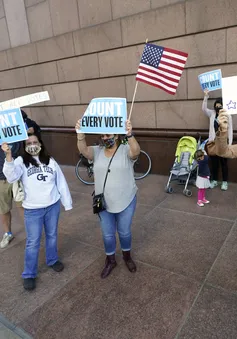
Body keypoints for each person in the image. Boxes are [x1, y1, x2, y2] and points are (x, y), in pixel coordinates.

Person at [1, 133, 72, 291]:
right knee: (33, 241)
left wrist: (67, 203)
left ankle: (52, 260)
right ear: (25, 147)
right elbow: (11, 177)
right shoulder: (20, 161)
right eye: (29, 143)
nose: (32, 145)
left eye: (35, 142)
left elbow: (60, 182)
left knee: (52, 235)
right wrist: (8, 155)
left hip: (52, 205)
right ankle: (29, 273)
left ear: (40, 143)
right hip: (33, 209)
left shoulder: (50, 161)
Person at [75, 119, 140, 279]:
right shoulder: (96, 151)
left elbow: (136, 152)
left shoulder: (126, 150)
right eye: (103, 135)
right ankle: (110, 260)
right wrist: (80, 136)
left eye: (108, 134)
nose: (105, 138)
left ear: (117, 135)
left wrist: (130, 135)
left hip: (126, 199)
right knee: (107, 234)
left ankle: (127, 257)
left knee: (124, 232)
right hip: (104, 202)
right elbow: (84, 151)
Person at [202, 89, 233, 190]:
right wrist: (206, 96)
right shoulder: (212, 114)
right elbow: (203, 109)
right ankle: (214, 180)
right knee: (214, 164)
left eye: (220, 105)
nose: (217, 107)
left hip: (223, 143)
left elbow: (230, 130)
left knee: (224, 163)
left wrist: (230, 144)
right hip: (213, 143)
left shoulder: (227, 115)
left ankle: (224, 182)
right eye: (216, 105)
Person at [0, 141, 24, 249]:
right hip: (1, 178)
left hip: (18, 175)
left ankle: (32, 233)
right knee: (3, 209)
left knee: (23, 206)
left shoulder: (17, 129)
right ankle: (7, 234)